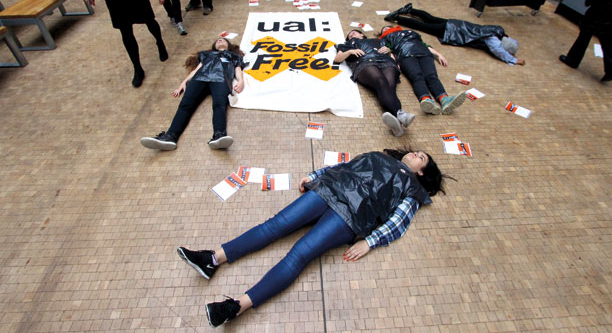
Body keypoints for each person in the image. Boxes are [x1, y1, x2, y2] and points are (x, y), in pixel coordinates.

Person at [177, 148, 447, 327]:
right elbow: (346, 165)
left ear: (420, 172)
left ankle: (236, 307)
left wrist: (370, 241)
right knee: (274, 225)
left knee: (299, 254)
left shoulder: (411, 189)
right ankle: (212, 258)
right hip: (329, 188)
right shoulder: (379, 155)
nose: (415, 153)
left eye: (421, 157)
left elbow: (398, 222)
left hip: (351, 216)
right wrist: (316, 175)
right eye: (417, 151)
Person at [140, 38, 245, 151]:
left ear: (229, 45)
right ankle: (170, 137)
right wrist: (184, 82)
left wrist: (241, 81)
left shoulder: (233, 56)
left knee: (219, 105)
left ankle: (219, 135)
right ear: (214, 46)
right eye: (218, 40)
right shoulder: (206, 54)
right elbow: (196, 70)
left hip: (220, 79)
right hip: (199, 78)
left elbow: (237, 70)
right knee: (185, 105)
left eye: (223, 40)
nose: (220, 40)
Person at [385, 3, 525, 65]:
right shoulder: (493, 39)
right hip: (453, 32)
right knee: (424, 26)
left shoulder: (498, 30)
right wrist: (513, 60)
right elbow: (497, 50)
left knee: (431, 19)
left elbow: (510, 43)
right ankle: (398, 18)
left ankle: (410, 10)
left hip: (456, 24)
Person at [335, 30, 415, 137]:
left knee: (390, 88)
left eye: (354, 32)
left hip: (386, 62)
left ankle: (398, 127)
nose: (351, 34)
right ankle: (401, 114)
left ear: (362, 34)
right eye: (349, 34)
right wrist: (350, 52)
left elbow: (393, 56)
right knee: (380, 81)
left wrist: (389, 51)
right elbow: (337, 59)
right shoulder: (347, 45)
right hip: (365, 62)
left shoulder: (378, 41)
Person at [379, 25, 466, 115]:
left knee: (432, 76)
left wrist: (439, 55)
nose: (385, 28)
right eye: (383, 29)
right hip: (405, 55)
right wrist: (395, 63)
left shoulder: (410, 33)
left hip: (424, 53)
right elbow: (390, 51)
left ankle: (444, 100)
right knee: (417, 76)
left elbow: (424, 44)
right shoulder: (385, 38)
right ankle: (426, 100)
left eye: (387, 27)